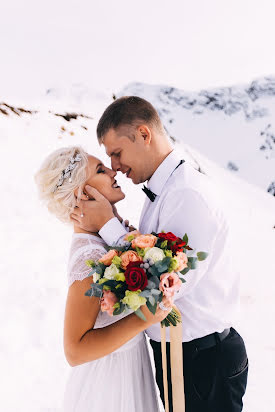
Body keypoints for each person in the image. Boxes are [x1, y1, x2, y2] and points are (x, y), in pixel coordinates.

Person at [71, 96, 249, 412]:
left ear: (143, 134)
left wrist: (110, 227)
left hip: (203, 359)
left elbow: (165, 284)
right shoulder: (165, 189)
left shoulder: (186, 194)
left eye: (116, 152)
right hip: (185, 356)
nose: (114, 166)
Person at [35, 145, 172, 412]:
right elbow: (74, 351)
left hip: (131, 371)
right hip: (110, 387)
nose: (112, 171)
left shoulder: (107, 240)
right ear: (82, 194)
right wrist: (143, 317)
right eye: (100, 170)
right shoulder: (89, 257)